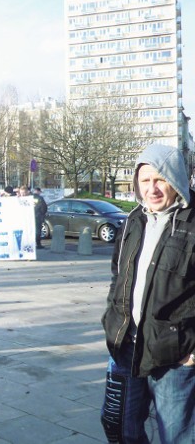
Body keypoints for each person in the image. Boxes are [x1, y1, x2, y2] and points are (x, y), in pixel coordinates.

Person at [100, 144, 195, 443]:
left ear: (176, 179)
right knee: (118, 426)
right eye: (145, 181)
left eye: (160, 179)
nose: (151, 189)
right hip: (126, 347)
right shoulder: (133, 221)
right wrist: (112, 319)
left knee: (177, 436)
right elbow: (119, 275)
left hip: (175, 356)